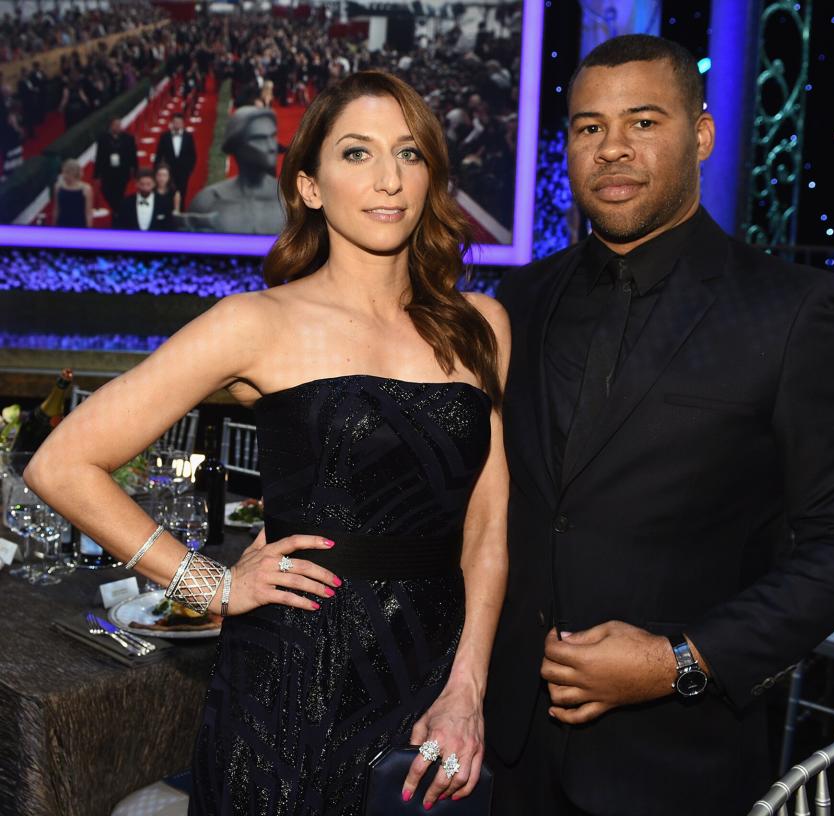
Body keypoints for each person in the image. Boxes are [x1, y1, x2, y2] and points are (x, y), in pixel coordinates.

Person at [25, 70, 509, 815]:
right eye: (356, 154)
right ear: (310, 186)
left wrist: (468, 688)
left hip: (434, 680)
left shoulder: (480, 325)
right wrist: (208, 584)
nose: (387, 179)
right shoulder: (255, 322)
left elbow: (484, 532)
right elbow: (62, 463)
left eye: (408, 154)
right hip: (291, 689)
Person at [485, 34, 834, 816]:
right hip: (510, 751)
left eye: (643, 122)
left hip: (673, 762)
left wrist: (680, 660)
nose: (612, 149)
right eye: (587, 127)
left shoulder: (793, 310)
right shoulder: (519, 302)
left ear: (700, 135)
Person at [184, 106, 284, 234]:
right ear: (237, 146)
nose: (271, 147)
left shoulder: (291, 200)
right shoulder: (207, 202)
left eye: (273, 136)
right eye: (259, 139)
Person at [94, 117, 137, 214]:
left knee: (120, 192)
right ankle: (117, 209)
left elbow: (133, 155)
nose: (118, 127)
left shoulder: (128, 138)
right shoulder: (103, 139)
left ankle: (117, 212)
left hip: (122, 171)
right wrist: (96, 174)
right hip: (107, 171)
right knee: (106, 190)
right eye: (115, 125)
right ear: (110, 126)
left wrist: (135, 170)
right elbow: (99, 156)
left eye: (119, 125)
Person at [154, 112, 196, 207]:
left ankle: (180, 212)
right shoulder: (165, 136)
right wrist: (156, 170)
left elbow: (192, 155)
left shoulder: (188, 137)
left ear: (183, 123)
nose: (177, 124)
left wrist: (189, 169)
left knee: (182, 192)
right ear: (172, 123)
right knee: (168, 191)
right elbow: (159, 154)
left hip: (183, 171)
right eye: (175, 122)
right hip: (168, 171)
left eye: (179, 122)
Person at [52, 157, 93, 227]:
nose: (64, 175)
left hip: (79, 226)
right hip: (62, 225)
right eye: (63, 172)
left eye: (66, 173)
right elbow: (56, 209)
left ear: (73, 173)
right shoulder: (58, 187)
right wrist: (53, 227)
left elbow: (88, 213)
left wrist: (88, 231)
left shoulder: (86, 189)